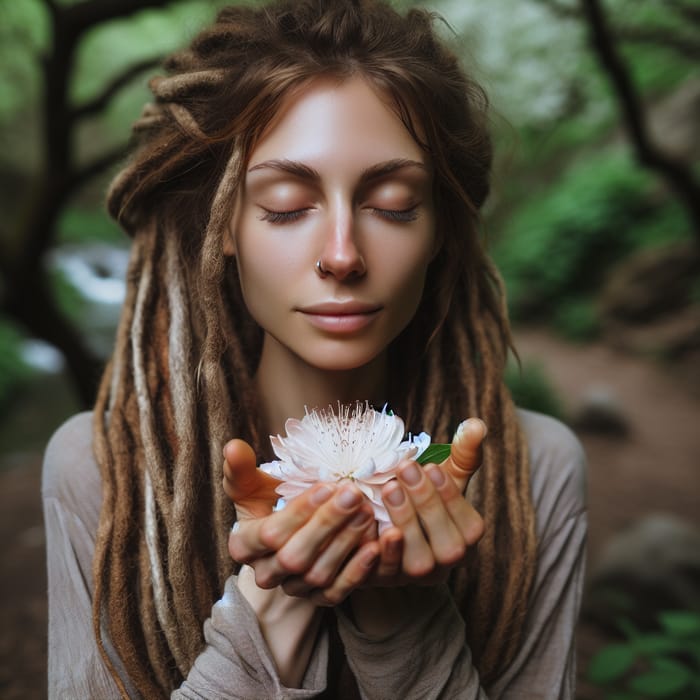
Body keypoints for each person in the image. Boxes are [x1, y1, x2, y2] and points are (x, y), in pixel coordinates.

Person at [42, 0, 587, 698]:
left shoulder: (536, 472)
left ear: (441, 229)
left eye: (392, 203)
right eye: (286, 206)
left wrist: (404, 617)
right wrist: (274, 606)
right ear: (224, 223)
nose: (342, 255)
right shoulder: (102, 475)